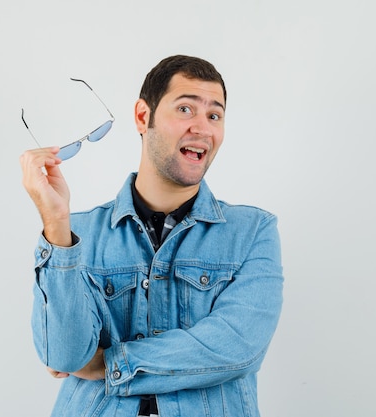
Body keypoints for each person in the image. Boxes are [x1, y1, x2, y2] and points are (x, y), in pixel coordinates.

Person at [19, 54, 284, 417]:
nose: (203, 128)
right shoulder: (76, 235)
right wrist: (55, 221)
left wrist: (109, 363)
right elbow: (64, 355)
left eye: (214, 115)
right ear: (143, 117)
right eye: (186, 109)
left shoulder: (253, 232)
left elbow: (236, 345)